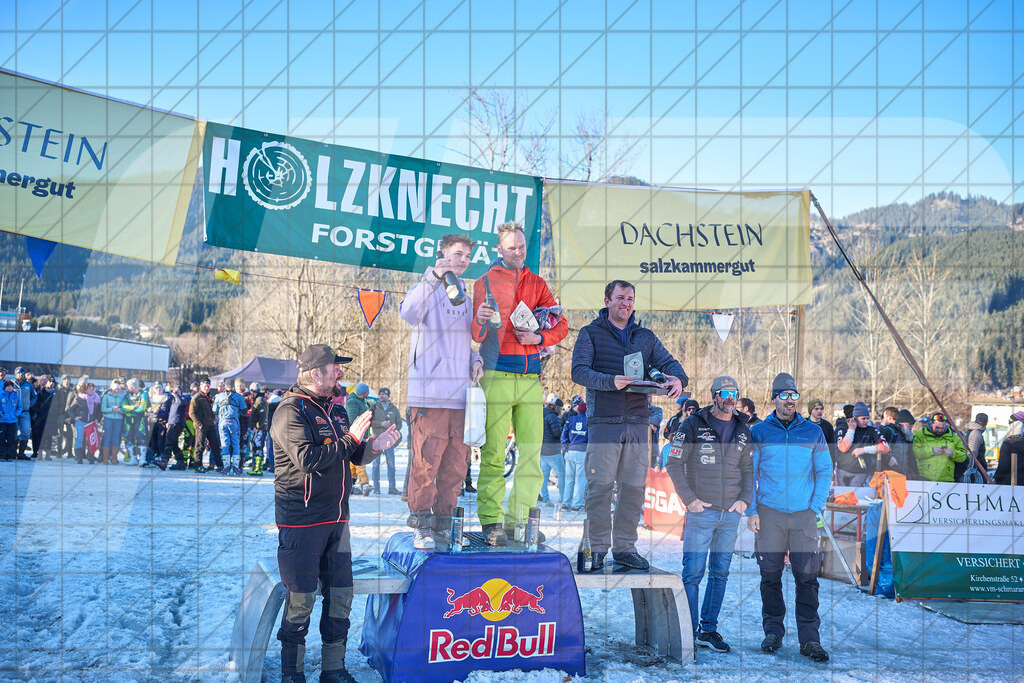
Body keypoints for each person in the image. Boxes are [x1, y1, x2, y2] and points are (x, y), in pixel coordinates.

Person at [272, 344, 400, 683]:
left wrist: (374, 446)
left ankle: (333, 670)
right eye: (335, 368)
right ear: (316, 373)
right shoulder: (290, 410)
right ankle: (291, 673)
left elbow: (353, 454)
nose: (340, 373)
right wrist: (352, 439)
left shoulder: (338, 410)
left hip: (338, 521)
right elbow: (308, 459)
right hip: (302, 522)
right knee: (301, 601)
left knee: (341, 596)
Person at [571, 279, 686, 570]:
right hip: (604, 423)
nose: (626, 303)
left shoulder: (644, 336)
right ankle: (596, 548)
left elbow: (671, 363)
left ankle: (624, 548)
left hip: (638, 422)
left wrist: (677, 379)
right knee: (599, 488)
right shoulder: (590, 333)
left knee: (633, 490)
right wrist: (610, 382)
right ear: (607, 300)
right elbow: (579, 372)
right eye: (620, 297)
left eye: (630, 298)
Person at [471, 221, 568, 546]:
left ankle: (519, 520)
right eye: (511, 248)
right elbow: (475, 334)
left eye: (522, 248)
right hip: (496, 375)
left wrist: (539, 335)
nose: (517, 253)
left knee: (531, 453)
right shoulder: (484, 281)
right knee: (495, 454)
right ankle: (492, 521)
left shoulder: (537, 282)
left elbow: (561, 323)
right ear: (499, 249)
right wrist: (480, 320)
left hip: (530, 378)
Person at [399, 234, 484, 547]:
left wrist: (476, 360)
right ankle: (421, 523)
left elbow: (465, 341)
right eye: (457, 254)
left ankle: (443, 525)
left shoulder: (464, 295)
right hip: (430, 394)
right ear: (442, 255)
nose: (461, 261)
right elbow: (407, 313)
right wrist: (433, 278)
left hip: (461, 397)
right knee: (425, 462)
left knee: (455, 466)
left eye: (466, 257)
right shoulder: (427, 287)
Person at [746, 372, 832, 663]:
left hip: (803, 517)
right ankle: (773, 632)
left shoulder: (812, 431)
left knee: (807, 580)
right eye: (784, 395)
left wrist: (815, 506)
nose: (790, 401)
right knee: (770, 578)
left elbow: (824, 471)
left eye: (794, 395)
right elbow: (750, 473)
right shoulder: (759, 431)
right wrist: (752, 509)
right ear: (774, 398)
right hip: (769, 515)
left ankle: (810, 639)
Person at [666, 376, 752, 654]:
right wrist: (689, 500)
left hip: (730, 515)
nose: (730, 398)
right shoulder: (692, 423)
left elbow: (748, 469)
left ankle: (708, 630)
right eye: (725, 393)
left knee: (720, 574)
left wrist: (745, 501)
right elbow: (674, 463)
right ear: (714, 396)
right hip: (701, 513)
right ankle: (687, 630)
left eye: (734, 393)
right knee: (692, 574)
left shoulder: (742, 428)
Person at [835, 401, 891, 486]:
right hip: (842, 470)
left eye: (867, 418)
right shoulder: (843, 429)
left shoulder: (871, 431)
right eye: (863, 418)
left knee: (855, 497)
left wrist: (864, 450)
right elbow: (843, 448)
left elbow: (885, 447)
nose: (866, 421)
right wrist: (851, 430)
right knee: (842, 497)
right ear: (855, 418)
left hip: (860, 472)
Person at [913, 412, 967, 482]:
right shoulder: (919, 435)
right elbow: (914, 453)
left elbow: (963, 456)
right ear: (931, 423)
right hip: (925, 479)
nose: (940, 430)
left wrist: (953, 453)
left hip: (947, 480)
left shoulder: (954, 437)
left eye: (942, 428)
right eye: (937, 427)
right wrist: (931, 451)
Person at [369, 387, 402, 494]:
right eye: (380, 394)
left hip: (389, 441)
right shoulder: (373, 407)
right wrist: (380, 423)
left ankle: (392, 488)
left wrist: (393, 430)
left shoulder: (394, 409)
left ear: (388, 396)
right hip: (376, 440)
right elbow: (369, 422)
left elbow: (400, 424)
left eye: (384, 394)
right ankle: (376, 488)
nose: (381, 396)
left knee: (391, 465)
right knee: (375, 465)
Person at [344, 383, 375, 496]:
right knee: (361, 460)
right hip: (356, 436)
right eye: (367, 391)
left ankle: (350, 484)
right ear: (362, 391)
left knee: (353, 464)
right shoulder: (353, 402)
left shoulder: (362, 402)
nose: (368, 393)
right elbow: (351, 419)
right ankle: (364, 484)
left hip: (362, 436)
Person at [560, 398, 588, 511]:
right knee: (580, 480)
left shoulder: (570, 420)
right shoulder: (588, 421)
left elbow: (563, 436)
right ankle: (576, 505)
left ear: (578, 410)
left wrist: (565, 448)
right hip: (582, 452)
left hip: (570, 452)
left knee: (569, 479)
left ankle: (566, 503)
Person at [188, 377, 221, 473]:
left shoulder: (209, 397)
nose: (206, 388)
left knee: (215, 445)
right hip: (201, 425)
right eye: (205, 386)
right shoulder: (197, 397)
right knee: (199, 446)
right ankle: (198, 465)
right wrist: (199, 424)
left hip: (210, 424)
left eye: (208, 386)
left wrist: (214, 419)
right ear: (201, 386)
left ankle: (219, 465)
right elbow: (192, 413)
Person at [214, 380, 247, 474]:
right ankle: (236, 468)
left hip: (223, 422)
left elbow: (214, 410)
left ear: (225, 386)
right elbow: (244, 411)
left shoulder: (219, 396)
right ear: (233, 387)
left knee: (225, 444)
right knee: (236, 444)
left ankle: (226, 467)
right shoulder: (239, 397)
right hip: (234, 422)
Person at [539, 395, 565, 505]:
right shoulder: (553, 417)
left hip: (542, 449)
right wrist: (564, 429)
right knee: (563, 474)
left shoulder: (541, 414)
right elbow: (557, 433)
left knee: (544, 476)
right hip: (553, 450)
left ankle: (545, 498)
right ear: (556, 407)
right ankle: (564, 498)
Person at [120, 378, 149, 465]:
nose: (127, 388)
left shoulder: (143, 394)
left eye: (128, 386)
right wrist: (133, 407)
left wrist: (129, 410)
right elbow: (122, 407)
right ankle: (133, 458)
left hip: (139, 419)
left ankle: (142, 459)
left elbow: (142, 408)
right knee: (129, 438)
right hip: (128, 420)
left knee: (141, 437)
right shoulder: (127, 395)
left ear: (132, 387)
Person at [994, 411, 1024, 486]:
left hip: (1009, 484)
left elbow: (1003, 466)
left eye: (1010, 422)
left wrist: (997, 478)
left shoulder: (1008, 444)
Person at [99, 380, 125, 465]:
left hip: (118, 419)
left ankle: (114, 458)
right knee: (107, 437)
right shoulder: (106, 396)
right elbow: (103, 409)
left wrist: (120, 410)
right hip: (108, 418)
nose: (117, 390)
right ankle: (105, 458)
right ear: (112, 388)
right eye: (115, 389)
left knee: (116, 438)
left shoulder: (121, 397)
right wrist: (112, 409)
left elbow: (124, 409)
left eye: (118, 389)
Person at [164, 384, 189, 470]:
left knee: (169, 442)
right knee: (174, 444)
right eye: (175, 390)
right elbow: (170, 412)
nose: (176, 392)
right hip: (171, 423)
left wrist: (177, 394)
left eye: (178, 390)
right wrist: (168, 422)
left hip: (177, 423)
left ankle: (165, 460)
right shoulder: (173, 401)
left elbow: (182, 402)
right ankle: (180, 461)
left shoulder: (183, 399)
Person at [247, 384, 269, 476]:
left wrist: (258, 427)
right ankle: (256, 467)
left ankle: (258, 469)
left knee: (258, 448)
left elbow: (262, 415)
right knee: (256, 447)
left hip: (259, 429)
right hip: (258, 429)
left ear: (253, 391)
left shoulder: (259, 400)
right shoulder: (259, 399)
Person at [959, 413, 989, 482]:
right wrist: (968, 469)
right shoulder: (976, 434)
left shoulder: (970, 431)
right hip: (975, 470)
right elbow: (972, 454)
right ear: (986, 423)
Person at [806, 398, 835, 469]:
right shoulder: (803, 424)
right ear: (810, 410)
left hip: (822, 464)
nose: (819, 411)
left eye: (821, 409)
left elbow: (832, 448)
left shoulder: (828, 426)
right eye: (816, 409)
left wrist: (832, 465)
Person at [0, 379, 23, 460]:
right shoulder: (1, 395)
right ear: (5, 387)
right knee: (2, 439)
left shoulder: (16, 395)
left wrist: (16, 414)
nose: (10, 388)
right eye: (8, 386)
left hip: (12, 421)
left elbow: (20, 406)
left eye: (11, 386)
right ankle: (2, 456)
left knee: (11, 439)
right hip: (2, 421)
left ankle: (10, 456)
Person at [648, 395, 664, 469]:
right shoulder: (635, 410)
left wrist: (644, 422)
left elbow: (656, 420)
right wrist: (649, 424)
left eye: (649, 396)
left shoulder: (657, 410)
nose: (648, 399)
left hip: (652, 447)